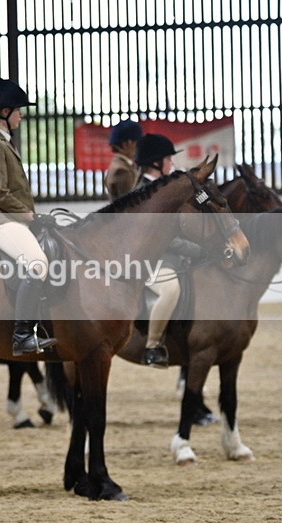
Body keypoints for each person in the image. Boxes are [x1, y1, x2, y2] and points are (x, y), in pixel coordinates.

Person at [0, 79, 57, 356]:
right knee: (37, 264)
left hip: (10, 219)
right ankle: (22, 335)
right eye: (18, 110)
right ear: (5, 111)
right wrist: (29, 215)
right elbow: (0, 194)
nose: (21, 115)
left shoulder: (3, 142)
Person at [135, 133, 206, 368]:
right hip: (151, 259)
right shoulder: (145, 193)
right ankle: (152, 346)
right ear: (156, 162)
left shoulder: (163, 188)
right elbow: (164, 238)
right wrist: (196, 250)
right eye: (168, 159)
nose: (172, 163)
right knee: (169, 289)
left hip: (170, 256)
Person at [104, 119, 143, 200]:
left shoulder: (122, 164)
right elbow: (132, 203)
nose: (139, 147)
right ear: (126, 144)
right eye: (137, 143)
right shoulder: (122, 171)